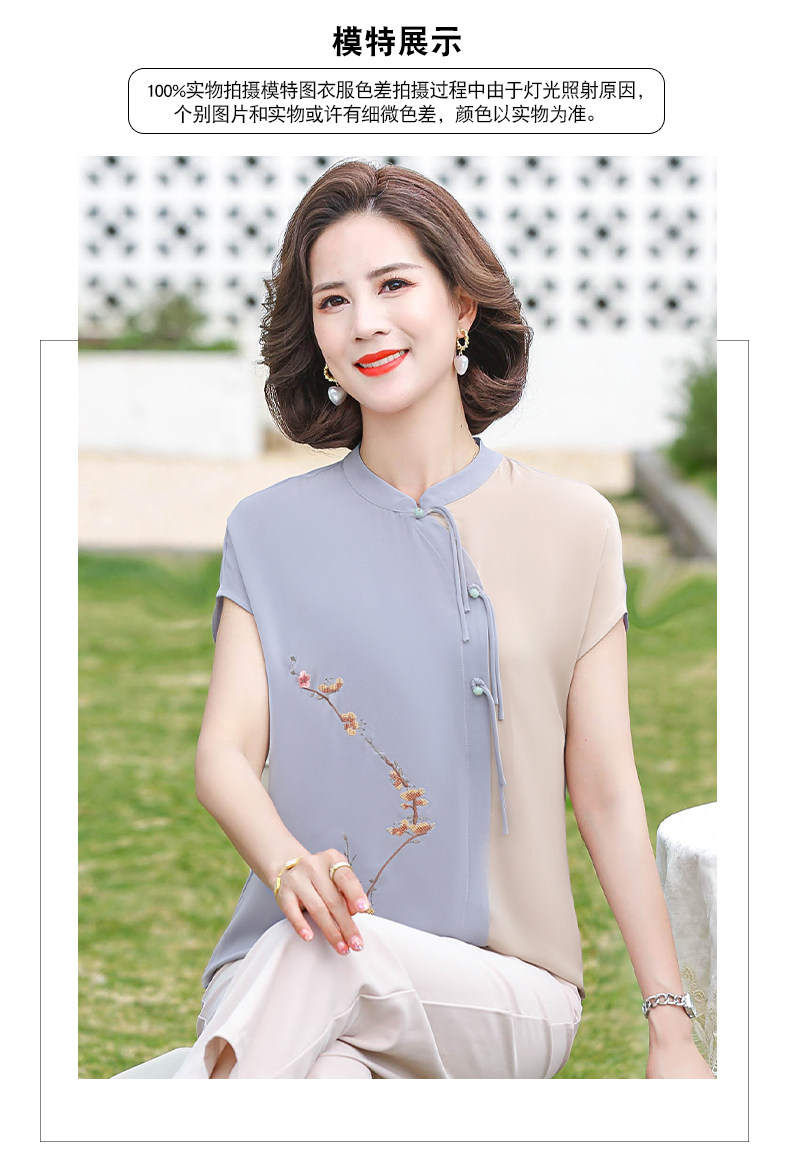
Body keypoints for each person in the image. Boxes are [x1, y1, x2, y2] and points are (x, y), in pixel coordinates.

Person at [173, 160, 714, 1080]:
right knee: (322, 1067)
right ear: (316, 335)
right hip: (287, 962)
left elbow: (606, 790)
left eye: (393, 285)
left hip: (502, 988)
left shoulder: (575, 526)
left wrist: (670, 1024)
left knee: (329, 967)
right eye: (333, 300)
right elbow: (223, 755)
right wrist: (290, 864)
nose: (365, 321)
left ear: (462, 306)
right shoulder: (266, 531)